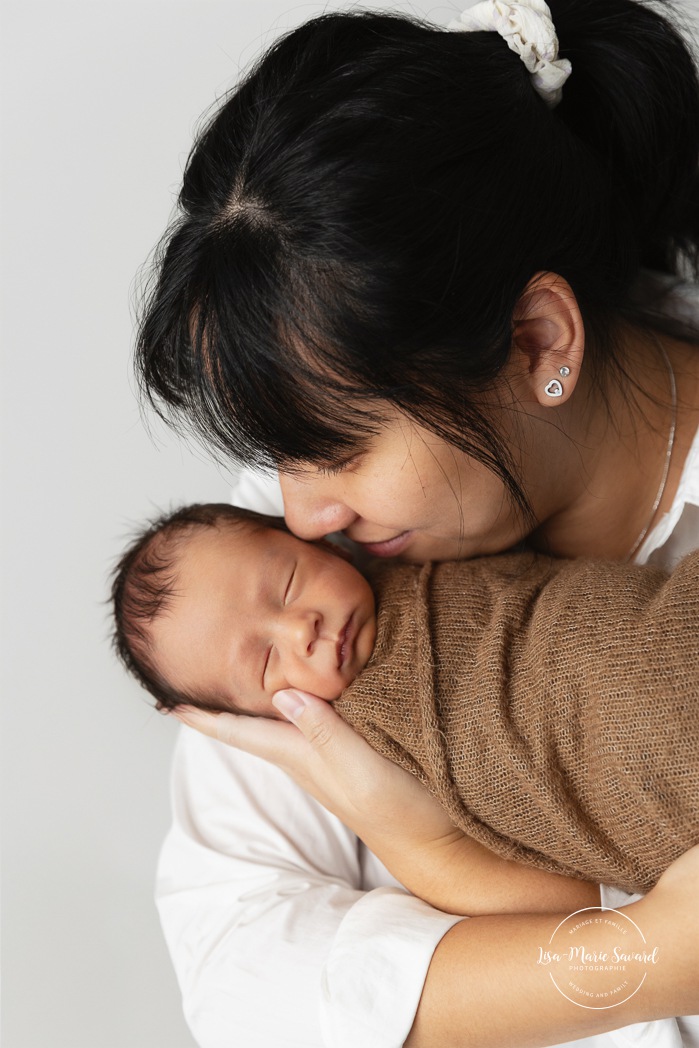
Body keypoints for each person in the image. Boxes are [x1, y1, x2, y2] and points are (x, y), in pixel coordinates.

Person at [135, 0, 699, 1044]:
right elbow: (244, 989)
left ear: (537, 341)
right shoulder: (285, 588)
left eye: (339, 446)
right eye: (280, 452)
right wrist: (655, 957)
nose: (302, 505)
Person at [113, 501, 698, 899]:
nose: (301, 630)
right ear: (269, 713)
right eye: (267, 662)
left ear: (325, 545)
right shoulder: (363, 748)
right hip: (643, 783)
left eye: (289, 583)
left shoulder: (410, 546)